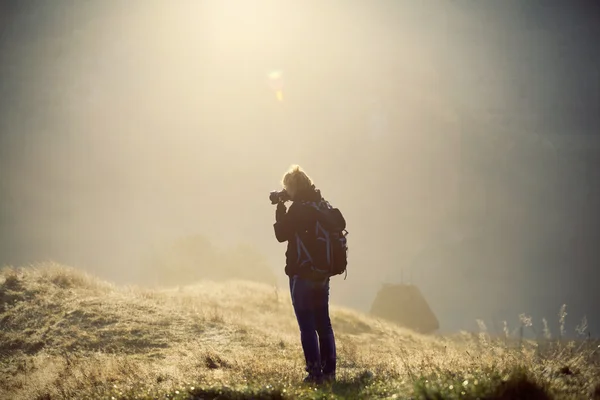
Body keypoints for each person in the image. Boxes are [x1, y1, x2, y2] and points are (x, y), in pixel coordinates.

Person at [272, 165, 337, 384]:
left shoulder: (298, 209)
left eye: (287, 188)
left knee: (307, 326)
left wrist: (280, 212)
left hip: (301, 273)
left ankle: (314, 373)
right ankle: (329, 372)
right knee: (323, 323)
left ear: (293, 187)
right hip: (322, 274)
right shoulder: (320, 205)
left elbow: (281, 235)